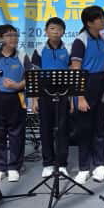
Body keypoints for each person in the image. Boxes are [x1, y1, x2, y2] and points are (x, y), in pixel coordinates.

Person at [70, 6, 104, 183]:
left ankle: (100, 165)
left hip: (100, 85)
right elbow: (76, 70)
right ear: (89, 23)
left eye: (103, 17)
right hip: (85, 85)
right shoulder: (80, 41)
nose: (103, 20)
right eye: (100, 18)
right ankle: (84, 168)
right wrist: (80, 96)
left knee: (99, 128)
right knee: (85, 129)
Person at [0, 24, 30, 183]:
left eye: (15, 35)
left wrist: (18, 85)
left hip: (16, 98)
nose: (13, 38)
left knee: (16, 134)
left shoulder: (22, 56)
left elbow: (30, 77)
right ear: (0, 39)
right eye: (9, 35)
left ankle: (14, 167)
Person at [31, 17, 72, 178]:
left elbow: (72, 74)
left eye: (59, 29)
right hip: (44, 94)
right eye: (52, 28)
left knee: (63, 129)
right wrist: (34, 99)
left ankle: (62, 164)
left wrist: (71, 98)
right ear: (46, 31)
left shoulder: (68, 49)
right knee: (45, 128)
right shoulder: (39, 50)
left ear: (63, 32)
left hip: (63, 94)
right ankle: (48, 163)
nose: (55, 32)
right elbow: (34, 75)